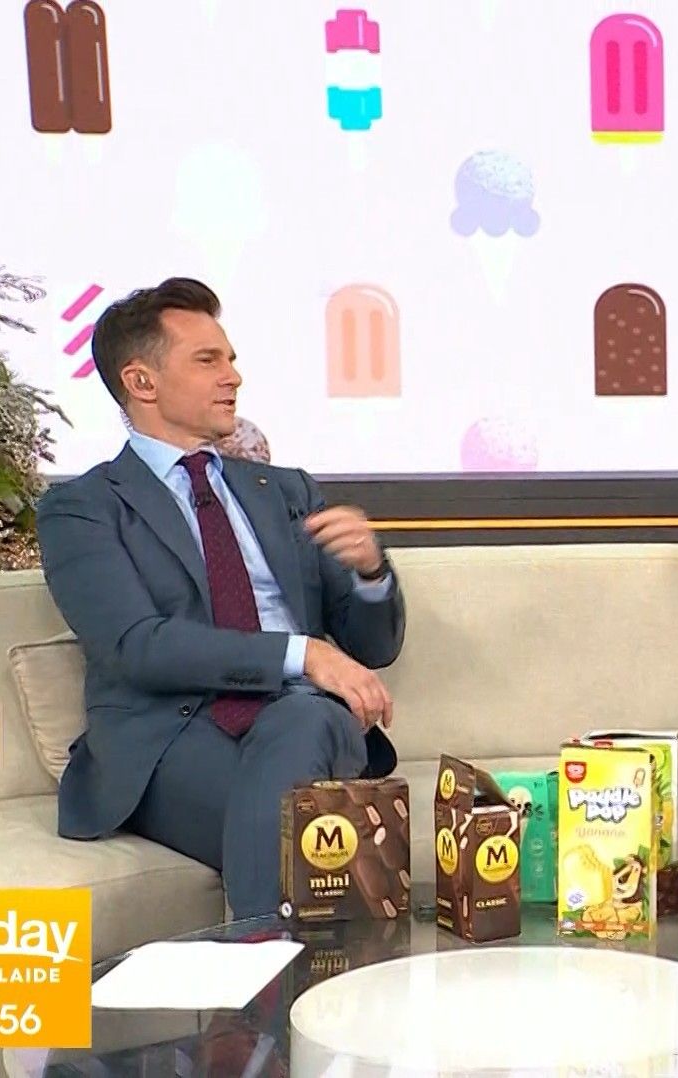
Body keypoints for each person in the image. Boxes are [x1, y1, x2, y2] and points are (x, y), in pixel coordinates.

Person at [37, 277, 407, 920]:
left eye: (231, 358)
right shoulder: (84, 508)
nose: (232, 376)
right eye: (208, 360)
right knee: (309, 796)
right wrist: (304, 654)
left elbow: (374, 646)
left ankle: (260, 967)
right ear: (141, 382)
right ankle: (302, 959)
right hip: (172, 743)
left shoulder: (286, 490)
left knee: (308, 724)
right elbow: (138, 646)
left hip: (304, 725)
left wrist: (371, 573)